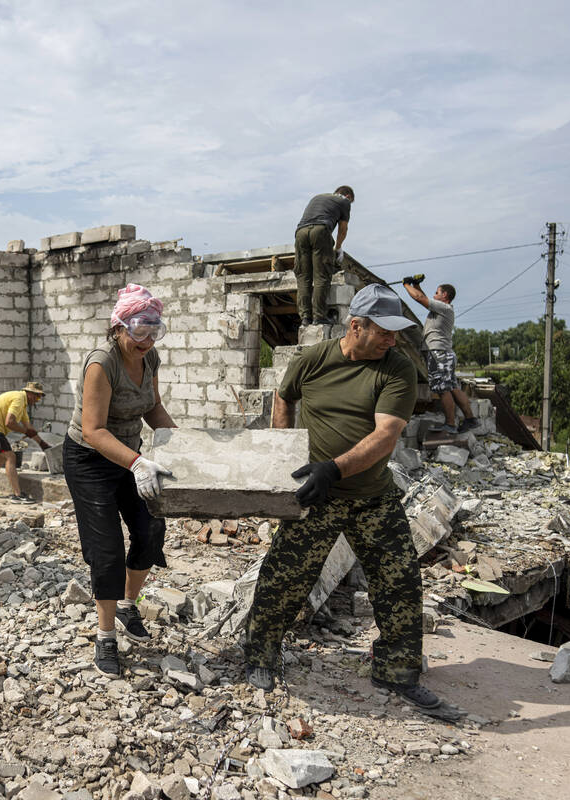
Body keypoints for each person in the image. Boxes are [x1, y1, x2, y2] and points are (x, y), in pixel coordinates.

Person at [241, 284, 442, 710]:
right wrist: (285, 451)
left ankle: (398, 672)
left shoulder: (397, 368)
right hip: (317, 496)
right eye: (384, 331)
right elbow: (284, 395)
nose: (392, 339)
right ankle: (259, 655)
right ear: (356, 326)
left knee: (399, 583)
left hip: (371, 496)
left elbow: (386, 435)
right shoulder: (313, 359)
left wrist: (333, 468)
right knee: (284, 576)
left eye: (396, 332)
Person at [63, 284, 176, 676]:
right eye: (139, 330)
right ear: (120, 327)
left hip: (131, 456)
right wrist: (138, 462)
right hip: (90, 459)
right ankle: (106, 634)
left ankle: (128, 606)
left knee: (150, 530)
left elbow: (154, 408)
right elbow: (94, 431)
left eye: (154, 330)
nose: (146, 340)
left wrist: (183, 448)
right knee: (106, 548)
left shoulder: (151, 358)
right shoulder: (102, 363)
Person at [402, 280, 475, 434]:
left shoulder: (443, 307)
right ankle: (470, 419)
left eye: (437, 292)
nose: (434, 296)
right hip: (444, 353)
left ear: (445, 295)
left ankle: (450, 424)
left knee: (442, 390)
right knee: (452, 387)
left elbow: (420, 298)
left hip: (438, 353)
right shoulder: (442, 309)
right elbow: (422, 296)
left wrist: (406, 285)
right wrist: (416, 285)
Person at [0, 382, 49, 503]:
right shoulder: (19, 399)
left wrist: (42, 444)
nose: (37, 400)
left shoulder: (22, 403)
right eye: (37, 396)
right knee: (10, 457)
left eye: (39, 398)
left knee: (0, 460)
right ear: (30, 393)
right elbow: (9, 422)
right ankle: (18, 495)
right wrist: (25, 431)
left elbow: (29, 428)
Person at [294, 186, 354, 325]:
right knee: (321, 275)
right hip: (321, 230)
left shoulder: (318, 197)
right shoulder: (344, 201)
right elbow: (343, 230)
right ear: (348, 196)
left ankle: (305, 317)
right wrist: (338, 248)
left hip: (300, 232)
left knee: (303, 276)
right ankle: (318, 316)